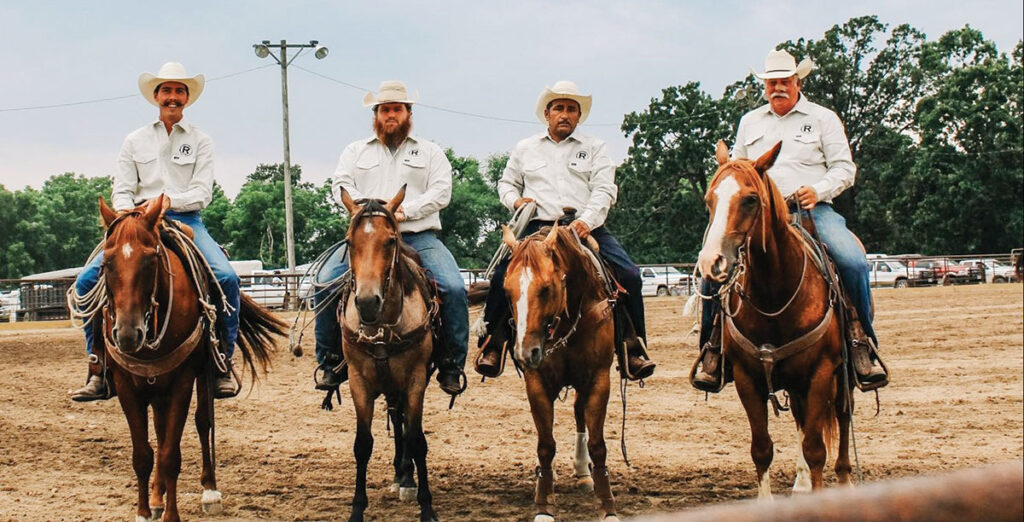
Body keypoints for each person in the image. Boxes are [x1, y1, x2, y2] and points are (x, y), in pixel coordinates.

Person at [691, 49, 887, 391]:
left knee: (853, 262)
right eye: (772, 83)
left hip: (811, 210)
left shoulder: (823, 118)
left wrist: (818, 189)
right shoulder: (750, 121)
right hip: (758, 217)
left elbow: (845, 168)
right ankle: (713, 349)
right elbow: (738, 169)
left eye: (784, 81)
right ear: (764, 86)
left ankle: (861, 342)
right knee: (713, 267)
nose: (777, 88)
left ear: (797, 82)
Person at [70, 62, 240, 401]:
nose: (172, 97)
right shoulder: (135, 140)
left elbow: (202, 191)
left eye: (179, 91)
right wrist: (130, 212)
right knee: (87, 282)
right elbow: (121, 187)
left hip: (185, 219)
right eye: (167, 91)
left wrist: (164, 203)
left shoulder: (201, 141)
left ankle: (222, 359)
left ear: (187, 98)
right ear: (156, 96)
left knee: (226, 278)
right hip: (135, 222)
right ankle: (97, 366)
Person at [475, 81, 656, 380]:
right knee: (502, 276)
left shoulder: (595, 148)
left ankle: (632, 347)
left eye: (572, 109)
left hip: (585, 227)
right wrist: (516, 200)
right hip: (537, 227)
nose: (565, 114)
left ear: (578, 116)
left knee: (629, 275)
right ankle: (493, 343)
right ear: (546, 113)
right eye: (559, 108)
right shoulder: (526, 148)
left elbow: (604, 188)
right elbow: (505, 184)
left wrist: (587, 220)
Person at [313, 81, 467, 396]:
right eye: (385, 110)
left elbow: (442, 191)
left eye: (398, 109)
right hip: (367, 238)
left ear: (409, 113)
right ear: (376, 115)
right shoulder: (355, 151)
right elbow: (340, 184)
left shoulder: (430, 151)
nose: (391, 115)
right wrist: (369, 212)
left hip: (417, 235)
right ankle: (330, 360)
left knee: (452, 286)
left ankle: (451, 362)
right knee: (325, 282)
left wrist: (403, 212)